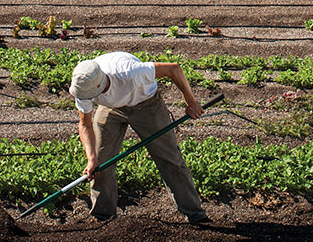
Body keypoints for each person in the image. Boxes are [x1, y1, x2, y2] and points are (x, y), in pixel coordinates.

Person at [69, 51, 209, 224]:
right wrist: (91, 158)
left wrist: (191, 102)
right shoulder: (83, 86)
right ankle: (103, 217)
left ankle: (195, 214)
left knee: (169, 157)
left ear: (99, 86)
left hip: (146, 103)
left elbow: (173, 68)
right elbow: (85, 124)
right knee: (100, 163)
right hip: (111, 108)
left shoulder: (131, 72)